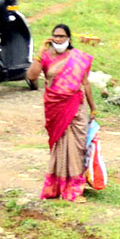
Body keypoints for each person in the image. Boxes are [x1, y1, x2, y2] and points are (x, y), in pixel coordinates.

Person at [25, 23, 95, 202]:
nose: (58, 39)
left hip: (76, 107)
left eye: (62, 36)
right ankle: (57, 186)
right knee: (60, 145)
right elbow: (32, 76)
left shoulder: (77, 57)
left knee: (77, 146)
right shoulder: (46, 57)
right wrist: (40, 52)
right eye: (55, 36)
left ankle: (75, 187)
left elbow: (85, 83)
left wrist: (93, 107)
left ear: (69, 38)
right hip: (55, 107)